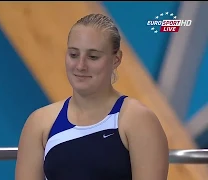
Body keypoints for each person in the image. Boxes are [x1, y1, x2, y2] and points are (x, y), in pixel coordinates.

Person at [15, 13, 169, 180]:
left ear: (116, 59)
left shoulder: (137, 120)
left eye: (93, 57)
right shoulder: (40, 123)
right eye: (74, 54)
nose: (80, 66)